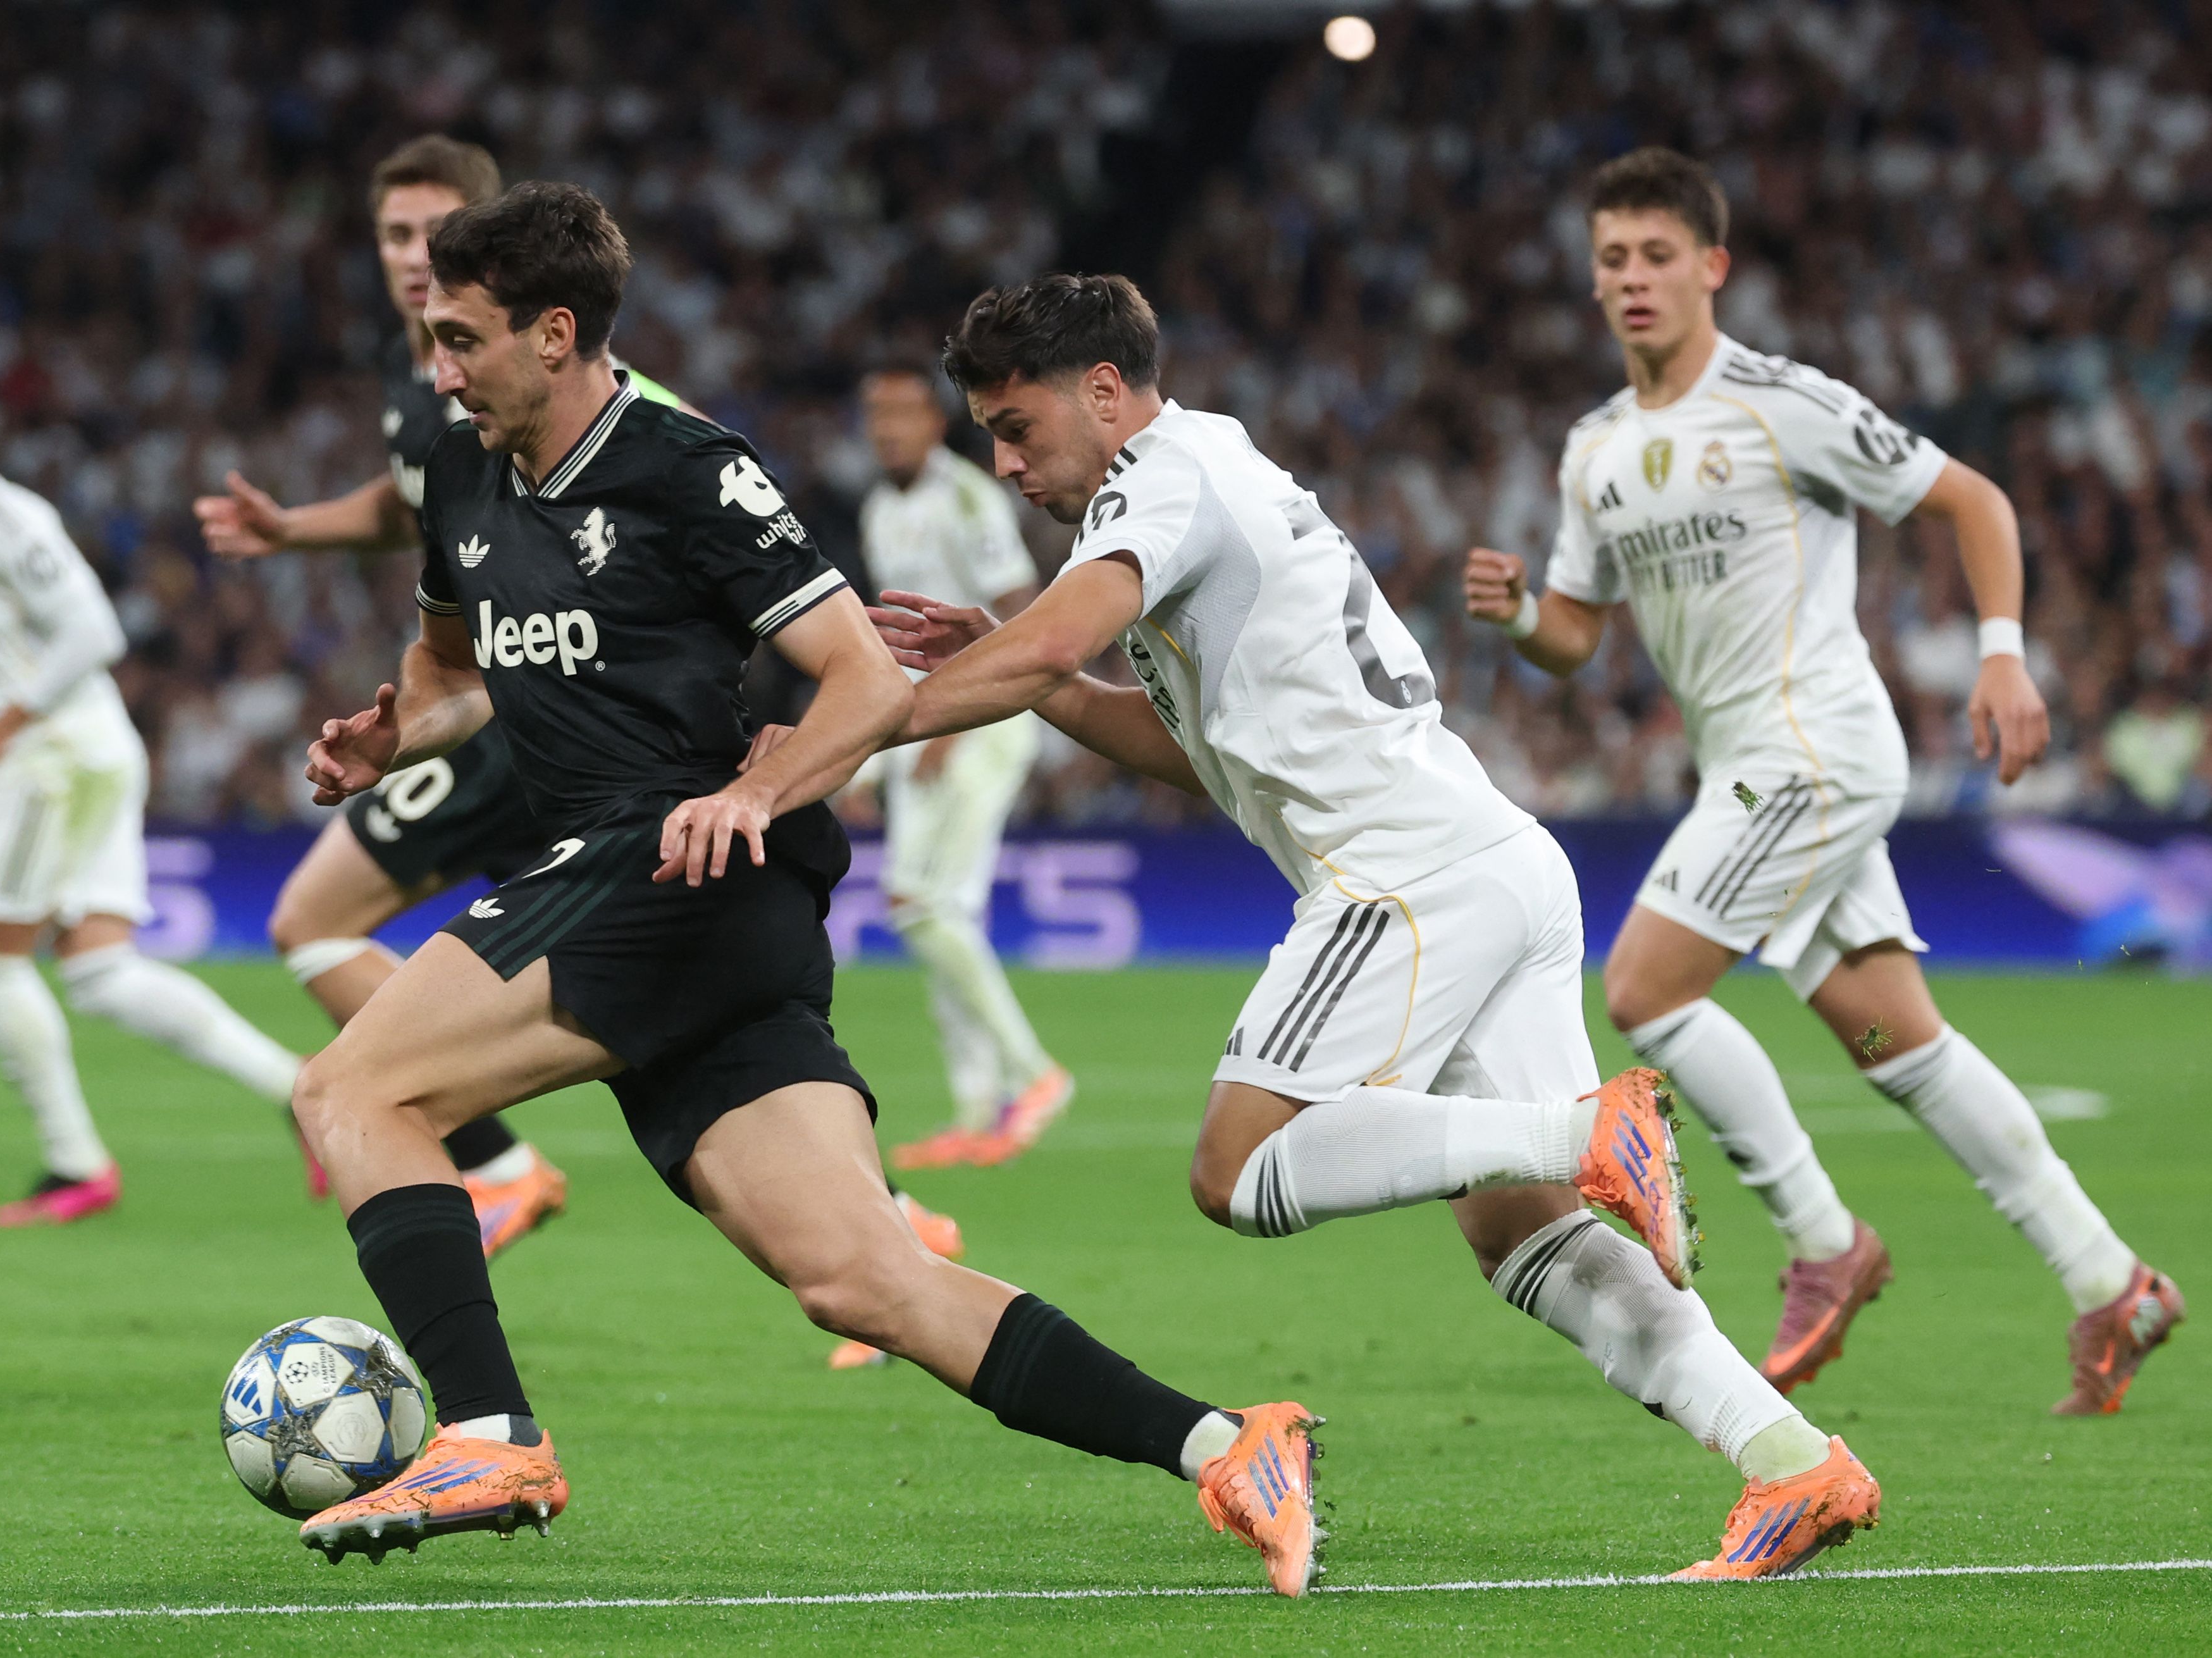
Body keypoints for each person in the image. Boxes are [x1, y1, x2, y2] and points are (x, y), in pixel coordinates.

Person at [283, 183, 1324, 1598]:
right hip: (690, 909)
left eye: (463, 338)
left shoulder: (688, 469)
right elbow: (455, 669)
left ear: (555, 331)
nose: (441, 369)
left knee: (351, 1091)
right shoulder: (461, 476)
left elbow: (864, 674)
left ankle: (487, 1430)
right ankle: (1223, 1439)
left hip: (665, 866)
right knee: (864, 1278)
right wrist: (391, 727)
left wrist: (753, 791)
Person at [858, 271, 1875, 1580]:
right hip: (1490, 856)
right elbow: (1192, 752)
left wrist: (877, 708)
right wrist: (1035, 674)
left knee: (1238, 1170)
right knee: (1522, 1233)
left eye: (1016, 427)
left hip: (1400, 874)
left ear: (1102, 392)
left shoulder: (1158, 482)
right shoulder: (1212, 469)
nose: (1003, 462)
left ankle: (1590, 1130)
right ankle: (1792, 1462)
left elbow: (1066, 628)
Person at [1462, 147, 2182, 1416]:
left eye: (1656, 256)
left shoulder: (1781, 403)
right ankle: (2109, 1276)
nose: (1632, 280)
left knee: (1643, 983)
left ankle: (1820, 1237)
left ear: (1711, 269)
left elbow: (1975, 501)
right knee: (1902, 1044)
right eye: (1612, 260)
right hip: (1750, 767)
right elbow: (1575, 636)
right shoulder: (1595, 452)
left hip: (1812, 747)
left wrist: (2004, 660)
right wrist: (1522, 610)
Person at [190, 137, 579, 1253]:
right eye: (395, 236)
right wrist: (292, 528)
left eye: (438, 232)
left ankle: (496, 1158)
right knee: (673, 1047)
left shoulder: (526, 373)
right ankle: (498, 1159)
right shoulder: (426, 375)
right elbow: (414, 499)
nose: (416, 256)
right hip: (495, 710)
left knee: (313, 921)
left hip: (535, 718)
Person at [0, 352, 307, 1225]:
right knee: (101, 971)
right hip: (47, 754)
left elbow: (94, 630)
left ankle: (75, 1165)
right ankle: (301, 1092)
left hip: (55, 753)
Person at [856, 363, 1072, 1173]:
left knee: (915, 902)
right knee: (947, 919)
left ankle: (1035, 1073)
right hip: (924, 727)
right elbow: (893, 643)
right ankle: (980, 1111)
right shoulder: (881, 506)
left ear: (934, 422)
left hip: (980, 724)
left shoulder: (970, 498)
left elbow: (1020, 610)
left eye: (901, 412)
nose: (885, 428)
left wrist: (960, 713)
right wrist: (869, 761)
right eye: (874, 413)